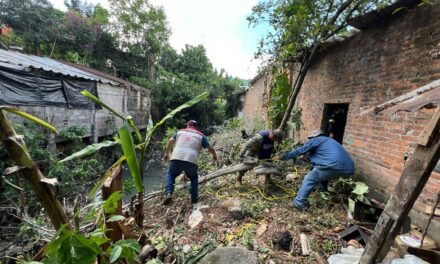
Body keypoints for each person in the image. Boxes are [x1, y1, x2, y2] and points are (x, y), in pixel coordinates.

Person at [281, 129, 354, 210]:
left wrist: (285, 156)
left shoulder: (317, 139)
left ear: (314, 137)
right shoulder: (331, 142)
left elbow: (301, 150)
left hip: (331, 165)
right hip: (348, 170)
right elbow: (321, 158)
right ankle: (322, 193)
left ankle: (299, 202)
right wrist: (307, 158)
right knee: (323, 175)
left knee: (309, 179)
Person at [162, 120, 217, 205]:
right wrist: (214, 156)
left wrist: (166, 154)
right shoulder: (201, 135)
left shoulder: (180, 131)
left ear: (187, 125)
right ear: (196, 127)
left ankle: (169, 193)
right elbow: (210, 148)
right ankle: (194, 199)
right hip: (191, 160)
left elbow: (170, 141)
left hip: (176, 157)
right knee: (194, 178)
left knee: (171, 175)